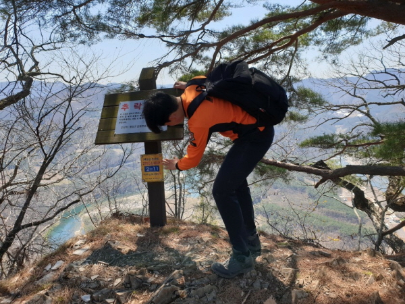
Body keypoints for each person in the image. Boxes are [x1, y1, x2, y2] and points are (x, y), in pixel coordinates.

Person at [142, 77, 274, 279]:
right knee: (236, 185)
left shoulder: (198, 119)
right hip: (257, 131)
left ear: (171, 117)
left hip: (255, 137)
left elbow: (193, 158)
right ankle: (251, 242)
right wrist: (186, 85)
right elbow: (206, 80)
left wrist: (176, 164)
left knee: (222, 191)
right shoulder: (193, 86)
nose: (171, 126)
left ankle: (242, 257)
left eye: (167, 123)